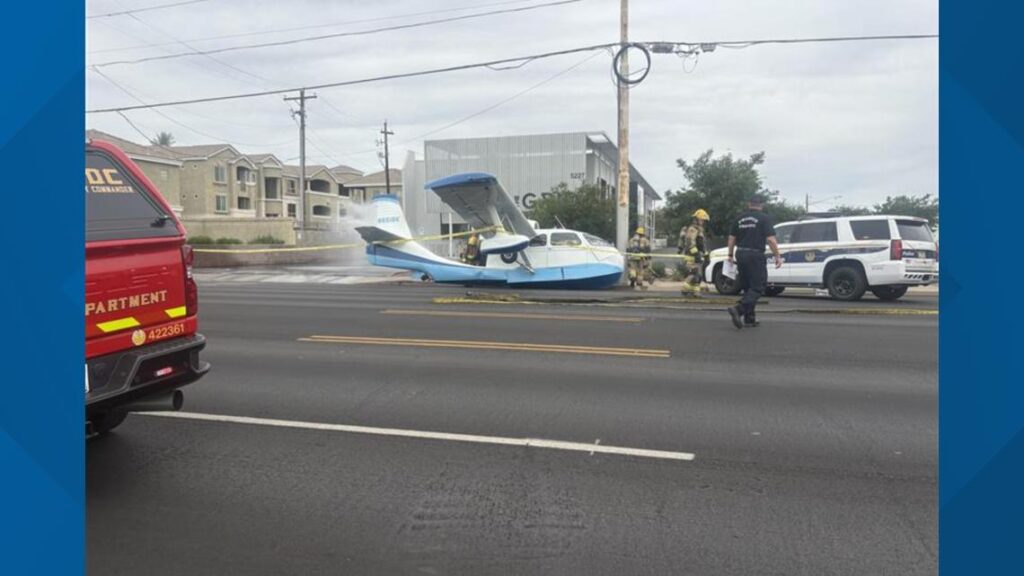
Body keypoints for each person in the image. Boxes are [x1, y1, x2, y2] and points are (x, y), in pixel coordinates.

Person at [727, 195, 782, 328]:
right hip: (755, 254)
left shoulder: (739, 219)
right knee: (758, 286)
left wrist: (730, 255)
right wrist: (777, 256)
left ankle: (749, 318)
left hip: (740, 253)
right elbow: (771, 240)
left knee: (747, 287)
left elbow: (731, 238)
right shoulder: (764, 218)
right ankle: (739, 309)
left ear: (749, 204)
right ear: (761, 205)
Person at [678, 209, 710, 296]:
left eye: (704, 220)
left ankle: (695, 292)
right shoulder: (693, 229)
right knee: (693, 273)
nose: (703, 222)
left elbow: (702, 244)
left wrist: (706, 254)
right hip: (691, 256)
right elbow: (690, 242)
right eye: (702, 220)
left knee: (698, 275)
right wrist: (696, 254)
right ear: (697, 219)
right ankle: (685, 289)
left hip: (697, 255)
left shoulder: (699, 230)